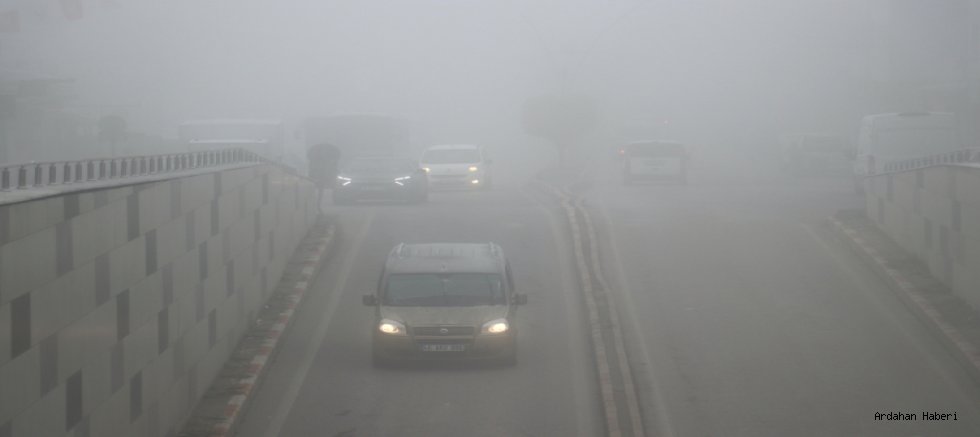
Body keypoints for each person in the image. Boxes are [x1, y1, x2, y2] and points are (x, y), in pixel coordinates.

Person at [307, 142, 341, 210]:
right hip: (321, 175)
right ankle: (317, 205)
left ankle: (317, 205)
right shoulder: (331, 155)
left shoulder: (314, 153)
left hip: (318, 176)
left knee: (318, 190)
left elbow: (311, 164)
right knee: (319, 190)